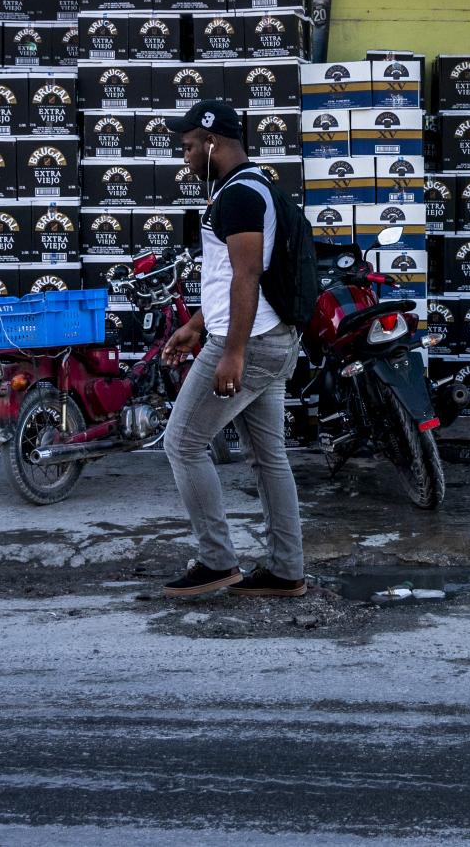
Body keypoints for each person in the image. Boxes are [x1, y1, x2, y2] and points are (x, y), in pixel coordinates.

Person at [157, 99, 308, 599]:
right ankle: (287, 570)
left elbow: (247, 275)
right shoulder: (244, 187)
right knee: (269, 458)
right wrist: (198, 324)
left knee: (181, 443)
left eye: (188, 147)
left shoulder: (240, 196)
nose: (184, 157)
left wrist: (232, 352)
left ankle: (217, 562)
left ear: (212, 143)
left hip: (251, 343)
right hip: (264, 337)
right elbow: (230, 278)